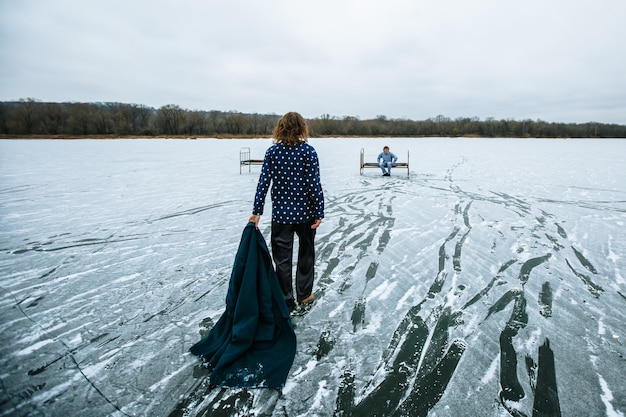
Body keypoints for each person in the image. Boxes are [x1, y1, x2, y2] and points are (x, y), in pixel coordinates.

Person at [248, 112, 324, 313]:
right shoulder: (308, 151)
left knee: (282, 259)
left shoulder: (273, 152)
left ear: (280, 127)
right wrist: (319, 211)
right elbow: (313, 184)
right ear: (302, 128)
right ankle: (305, 295)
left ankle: (286, 300)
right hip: (305, 214)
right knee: (306, 254)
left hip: (281, 215)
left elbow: (263, 183)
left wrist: (257, 212)